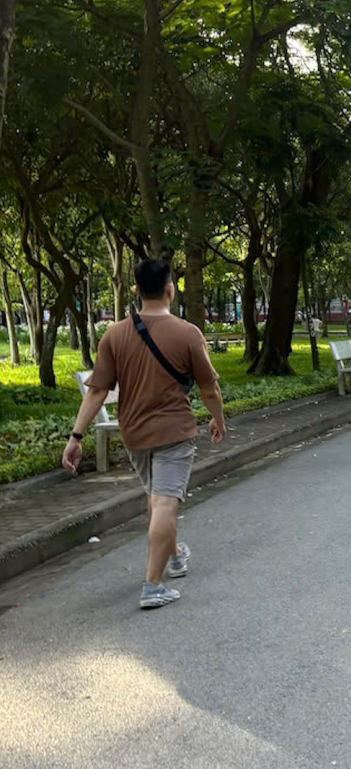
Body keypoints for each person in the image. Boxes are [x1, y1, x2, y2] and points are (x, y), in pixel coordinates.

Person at [62, 259, 227, 610]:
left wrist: (76, 437)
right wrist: (218, 420)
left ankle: (175, 554)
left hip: (134, 433)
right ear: (170, 289)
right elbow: (208, 388)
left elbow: (97, 391)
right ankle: (153, 586)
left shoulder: (114, 335)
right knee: (165, 501)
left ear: (137, 290)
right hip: (174, 431)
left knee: (158, 499)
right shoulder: (187, 333)